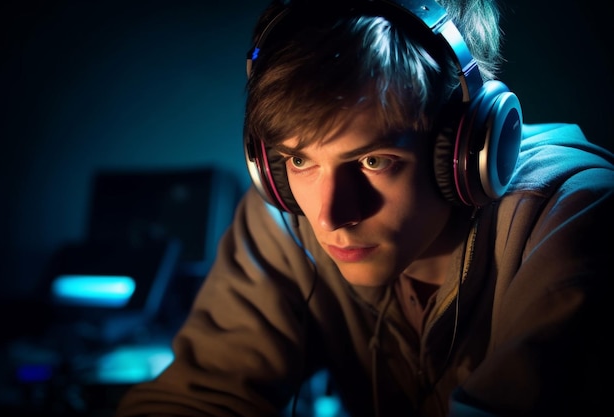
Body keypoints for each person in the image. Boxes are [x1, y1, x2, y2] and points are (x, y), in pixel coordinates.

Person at [115, 0, 614, 416]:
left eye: (374, 160)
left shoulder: (575, 215)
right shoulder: (283, 217)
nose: (328, 216)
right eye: (299, 159)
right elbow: (197, 400)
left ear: (472, 149)